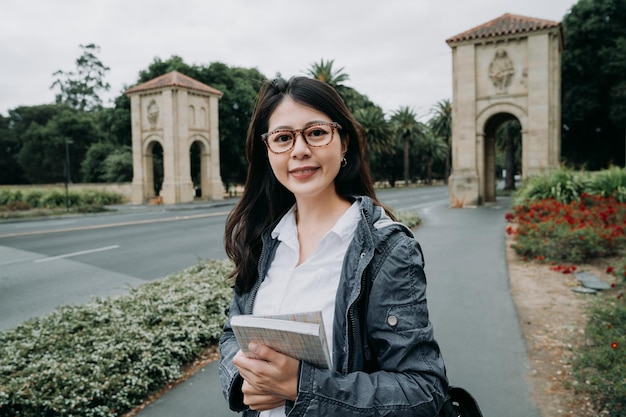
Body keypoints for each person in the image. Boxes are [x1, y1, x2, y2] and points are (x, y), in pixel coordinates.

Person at [219, 76, 448, 417]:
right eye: (283, 137)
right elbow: (231, 333)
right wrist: (242, 379)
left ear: (344, 144)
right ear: (268, 151)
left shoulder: (387, 250)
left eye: (316, 132)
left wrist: (302, 386)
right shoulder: (261, 240)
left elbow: (423, 391)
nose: (299, 150)